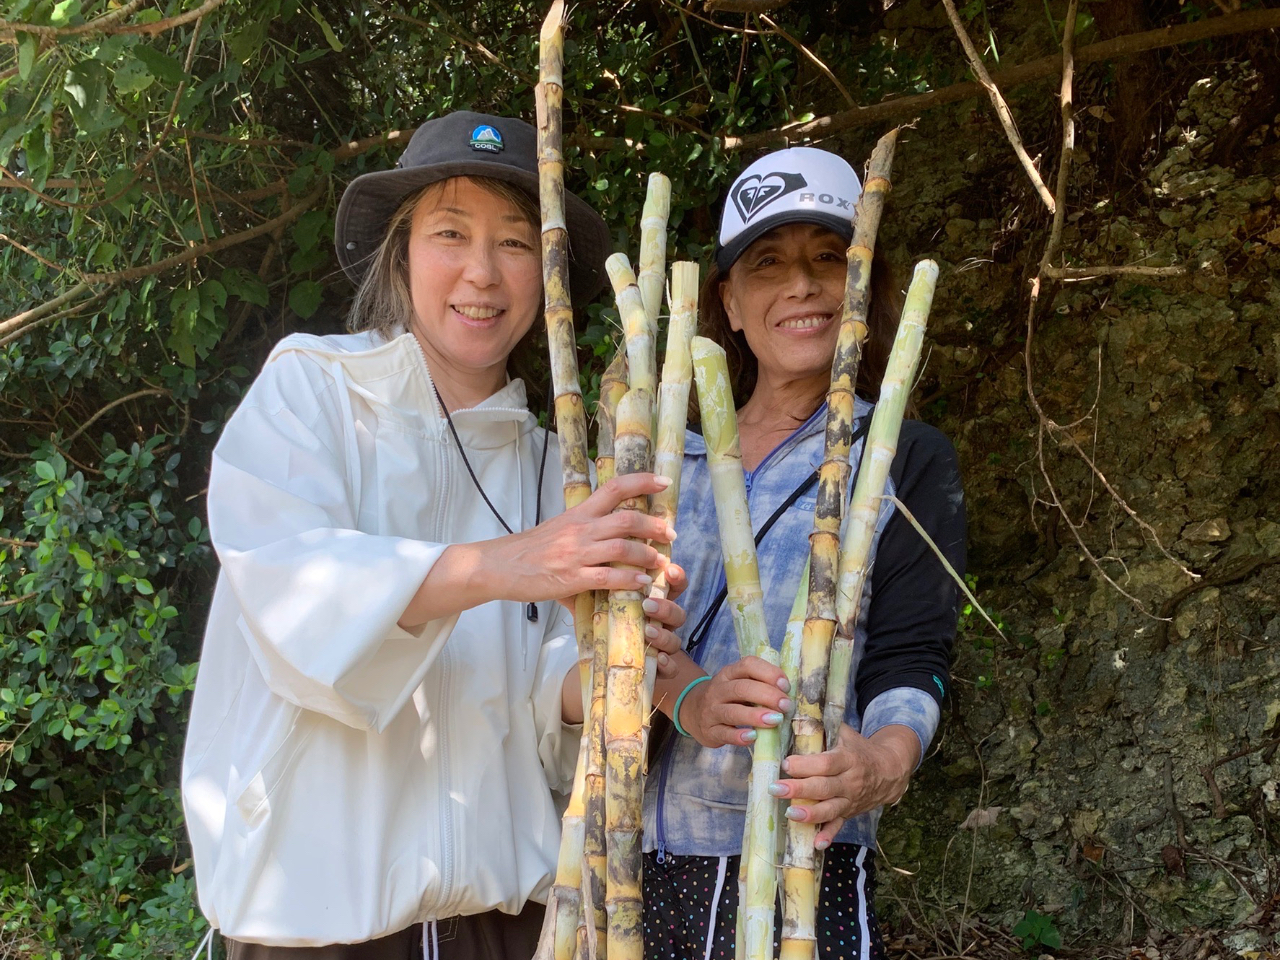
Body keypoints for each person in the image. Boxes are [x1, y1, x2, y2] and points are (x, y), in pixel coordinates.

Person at [181, 111, 687, 959]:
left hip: (510, 928)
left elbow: (535, 700)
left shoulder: (549, 466)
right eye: (451, 233)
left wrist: (616, 665)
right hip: (322, 928)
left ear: (549, 274)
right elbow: (297, 594)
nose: (482, 274)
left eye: (518, 244)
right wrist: (502, 565)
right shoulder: (312, 393)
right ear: (402, 252)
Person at [642, 146, 967, 960]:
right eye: (769, 263)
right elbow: (603, 638)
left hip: (801, 875)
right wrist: (683, 691)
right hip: (629, 865)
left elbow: (914, 653)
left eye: (831, 259)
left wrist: (882, 759)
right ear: (729, 301)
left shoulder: (898, 457)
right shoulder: (654, 459)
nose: (803, 285)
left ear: (864, 289)